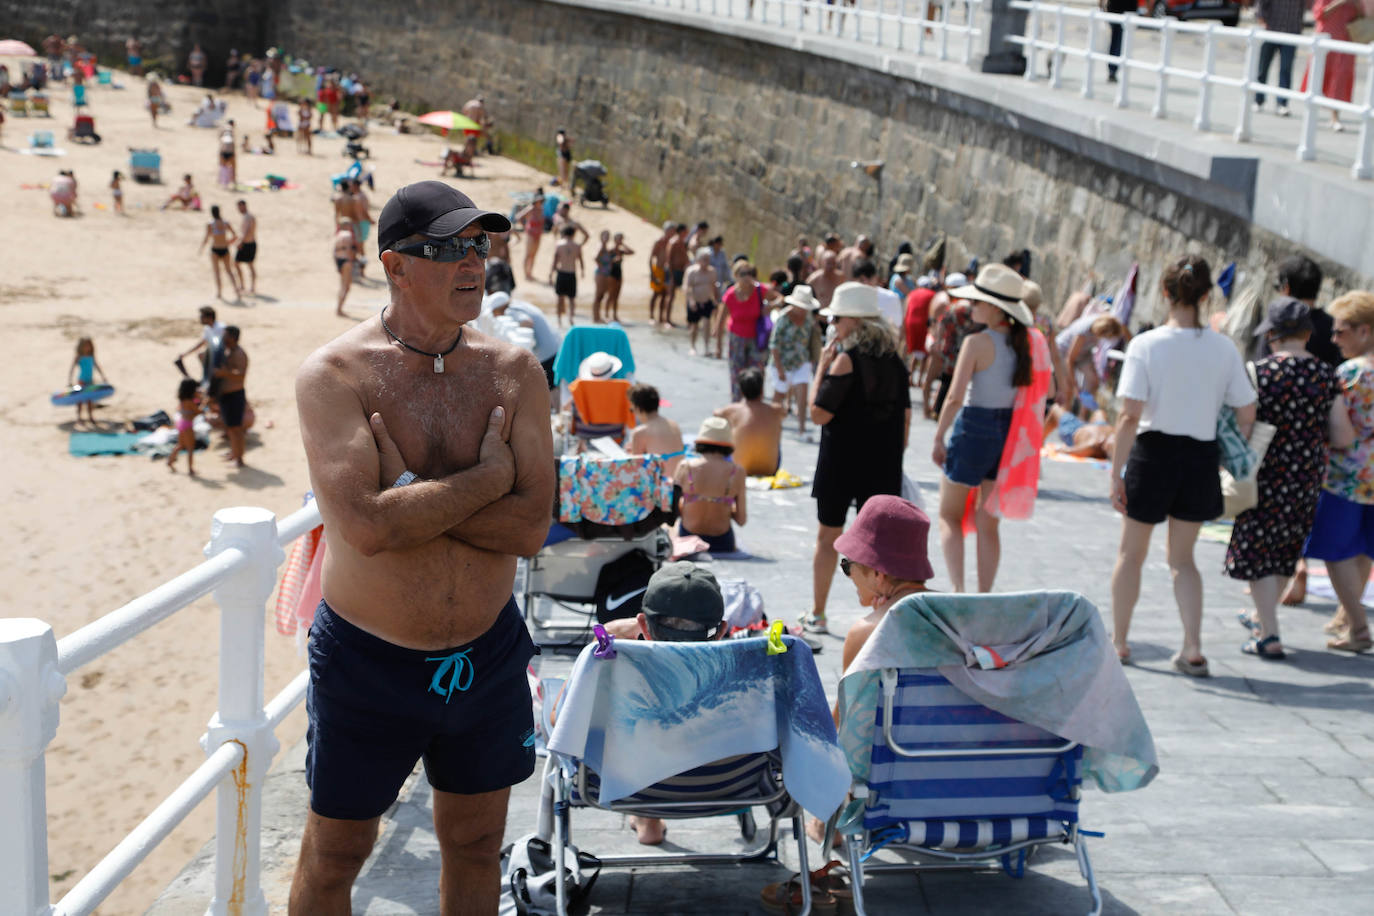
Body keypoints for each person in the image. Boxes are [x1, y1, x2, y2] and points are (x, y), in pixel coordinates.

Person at [291, 181, 553, 913]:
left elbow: (531, 527)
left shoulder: (513, 372)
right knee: (336, 854)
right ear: (394, 266)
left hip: (486, 653)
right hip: (368, 664)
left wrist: (408, 492)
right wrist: (487, 481)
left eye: (478, 244)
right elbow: (367, 530)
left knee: (474, 846)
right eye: (444, 249)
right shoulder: (336, 375)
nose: (472, 262)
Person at [1109, 255, 1256, 675]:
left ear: (1165, 292)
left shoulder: (1146, 345)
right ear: (1207, 296)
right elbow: (1246, 412)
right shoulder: (1223, 348)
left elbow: (1129, 416)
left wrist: (1116, 473)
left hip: (1152, 454)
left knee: (1130, 555)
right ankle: (1192, 646)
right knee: (1183, 560)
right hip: (1200, 456)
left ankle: (1119, 642)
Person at [1226, 299, 1353, 660]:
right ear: (1309, 334)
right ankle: (1262, 618)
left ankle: (1269, 633)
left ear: (1274, 335)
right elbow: (1342, 436)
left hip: (1265, 470)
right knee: (1285, 550)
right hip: (1307, 476)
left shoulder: (1258, 372)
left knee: (1258, 549)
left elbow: (1244, 427)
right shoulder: (1327, 376)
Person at [581, 562, 728, 844]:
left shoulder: (615, 674)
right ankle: (648, 821)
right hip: (730, 787)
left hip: (631, 789)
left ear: (643, 626)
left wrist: (603, 636)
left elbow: (558, 720)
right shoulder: (750, 671)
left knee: (642, 731)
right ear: (721, 630)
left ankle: (648, 820)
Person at [804, 283, 912, 634]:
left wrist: (822, 366)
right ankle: (881, 615)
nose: (832, 323)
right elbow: (906, 421)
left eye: (836, 317)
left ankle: (819, 614)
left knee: (828, 538)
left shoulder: (845, 359)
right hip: (882, 464)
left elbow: (818, 412)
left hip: (841, 462)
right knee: (878, 549)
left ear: (854, 321)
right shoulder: (896, 363)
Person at [931, 264, 1041, 593]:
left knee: (949, 515)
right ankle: (984, 594)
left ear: (994, 308)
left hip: (974, 426)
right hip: (1007, 431)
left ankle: (958, 590)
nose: (970, 307)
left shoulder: (977, 342)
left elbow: (953, 396)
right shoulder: (1027, 344)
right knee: (989, 522)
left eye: (976, 302)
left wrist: (938, 436)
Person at [1298, 290, 1374, 653]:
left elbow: (1335, 428)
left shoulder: (1352, 373)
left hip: (1346, 476)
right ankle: (1347, 616)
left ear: (1365, 332)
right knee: (1361, 550)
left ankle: (1358, 627)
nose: (1333, 338)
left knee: (1333, 550)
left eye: (1341, 331)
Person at [674, 417, 748, 554]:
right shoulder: (737, 472)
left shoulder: (685, 467)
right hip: (722, 542)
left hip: (688, 539)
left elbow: (672, 512)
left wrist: (693, 503)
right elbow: (741, 519)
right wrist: (719, 503)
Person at [721, 262, 783, 401]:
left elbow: (780, 298)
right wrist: (718, 342)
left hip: (757, 337)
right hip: (736, 338)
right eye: (743, 274)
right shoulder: (731, 294)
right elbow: (722, 317)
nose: (747, 277)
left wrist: (771, 306)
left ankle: (756, 403)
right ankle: (737, 403)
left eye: (750, 273)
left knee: (757, 372)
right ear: (736, 276)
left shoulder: (760, 290)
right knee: (737, 372)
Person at [925, 273, 979, 420]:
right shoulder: (972, 311)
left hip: (949, 350)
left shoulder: (951, 308)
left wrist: (939, 343)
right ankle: (951, 411)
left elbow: (941, 327)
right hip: (965, 350)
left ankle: (937, 410)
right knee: (960, 382)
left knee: (946, 381)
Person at [770, 286, 822, 439]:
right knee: (779, 396)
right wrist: (779, 369)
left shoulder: (808, 319)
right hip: (783, 362)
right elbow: (774, 345)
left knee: (802, 394)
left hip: (801, 361)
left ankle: (801, 428)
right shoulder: (783, 318)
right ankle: (771, 424)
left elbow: (810, 340)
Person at [715, 368, 786, 477]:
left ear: (742, 392)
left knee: (724, 430)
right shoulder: (776, 411)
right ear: (762, 390)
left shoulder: (733, 410)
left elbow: (716, 413)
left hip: (740, 469)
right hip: (770, 469)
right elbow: (783, 409)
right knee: (775, 430)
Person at [1302, 0, 1359, 131]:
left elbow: (1362, 15)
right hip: (1326, 40)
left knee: (1340, 78)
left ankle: (1335, 117)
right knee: (1318, 78)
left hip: (1345, 41)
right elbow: (1319, 15)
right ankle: (1311, 113)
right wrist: (1339, 2)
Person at [487, 291, 561, 389]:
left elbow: (527, 322)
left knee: (548, 389)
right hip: (554, 345)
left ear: (500, 308)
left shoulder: (510, 311)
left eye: (494, 312)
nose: (495, 316)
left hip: (545, 353)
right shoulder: (519, 304)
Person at [1056, 314, 1127, 409]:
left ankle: (1083, 414)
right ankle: (1063, 416)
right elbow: (1070, 359)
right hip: (1063, 353)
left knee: (1094, 381)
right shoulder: (1083, 332)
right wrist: (1075, 385)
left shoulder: (1105, 322)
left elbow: (1121, 327)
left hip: (1083, 354)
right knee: (1068, 389)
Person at [1253, 0, 1305, 115]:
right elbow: (1261, 4)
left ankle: (1282, 103)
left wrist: (1300, 26)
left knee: (1286, 69)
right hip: (1271, 30)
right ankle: (1259, 99)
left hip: (1291, 32)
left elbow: (1302, 7)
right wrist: (1262, 19)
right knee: (1263, 68)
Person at [626, 383, 686, 475]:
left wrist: (629, 454)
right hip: (679, 483)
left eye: (632, 409)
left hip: (662, 485)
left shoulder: (640, 432)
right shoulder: (674, 425)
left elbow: (636, 468)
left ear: (638, 408)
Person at [214, 326, 249, 467]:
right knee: (230, 427)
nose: (223, 337)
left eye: (225, 335)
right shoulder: (228, 351)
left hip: (235, 395)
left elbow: (241, 374)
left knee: (236, 429)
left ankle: (239, 459)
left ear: (233, 337)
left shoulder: (240, 353)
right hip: (226, 395)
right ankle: (234, 453)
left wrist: (225, 373)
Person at [199, 205, 242, 300]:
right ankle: (236, 290)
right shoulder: (225, 223)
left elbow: (206, 238)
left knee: (217, 272)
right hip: (225, 248)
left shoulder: (210, 224)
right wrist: (228, 242)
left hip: (215, 249)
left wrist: (202, 248)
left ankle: (219, 292)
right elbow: (235, 236)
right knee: (229, 271)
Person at [1043, 404, 1116, 459]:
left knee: (1055, 408)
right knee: (1099, 412)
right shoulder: (1115, 437)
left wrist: (1061, 450)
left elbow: (1070, 450)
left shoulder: (1093, 445)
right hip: (1096, 427)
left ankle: (1039, 441)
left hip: (1074, 430)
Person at [684, 247, 720, 355]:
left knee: (706, 324)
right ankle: (692, 346)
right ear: (698, 259)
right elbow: (687, 287)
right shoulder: (692, 271)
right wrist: (691, 301)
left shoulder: (712, 271)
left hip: (707, 301)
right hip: (695, 301)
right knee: (694, 325)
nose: (706, 261)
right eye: (704, 259)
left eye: (708, 259)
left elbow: (714, 287)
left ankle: (706, 347)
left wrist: (716, 300)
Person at [67, 336, 108, 426]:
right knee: (80, 399)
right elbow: (72, 369)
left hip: (90, 380)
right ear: (81, 346)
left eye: (88, 345)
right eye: (85, 346)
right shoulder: (79, 356)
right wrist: (69, 381)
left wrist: (103, 377)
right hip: (81, 380)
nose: (87, 347)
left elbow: (97, 366)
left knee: (90, 399)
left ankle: (90, 417)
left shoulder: (91, 356)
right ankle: (79, 417)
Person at [550, 225, 584, 326]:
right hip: (571, 273)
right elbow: (581, 260)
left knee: (560, 298)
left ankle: (559, 319)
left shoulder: (559, 245)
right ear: (573, 234)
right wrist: (582, 271)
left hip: (562, 273)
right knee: (571, 298)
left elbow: (555, 261)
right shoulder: (577, 246)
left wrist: (551, 274)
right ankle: (571, 317)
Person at [167, 377, 202, 475]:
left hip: (181, 423)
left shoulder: (182, 400)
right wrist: (204, 403)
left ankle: (170, 461)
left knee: (180, 445)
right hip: (187, 425)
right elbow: (199, 411)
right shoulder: (190, 402)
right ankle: (190, 469)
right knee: (190, 448)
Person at [514, 188, 545, 282]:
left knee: (534, 255)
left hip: (538, 234)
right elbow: (518, 216)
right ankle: (526, 274)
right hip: (530, 234)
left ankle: (530, 273)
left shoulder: (541, 209)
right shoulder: (531, 208)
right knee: (528, 254)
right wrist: (525, 227)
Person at [647, 221, 674, 327]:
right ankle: (651, 316)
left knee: (664, 295)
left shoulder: (671, 242)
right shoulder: (659, 241)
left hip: (666, 271)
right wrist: (652, 273)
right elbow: (651, 257)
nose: (671, 233)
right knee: (655, 294)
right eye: (670, 231)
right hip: (658, 270)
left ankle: (661, 317)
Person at [663, 223, 690, 329]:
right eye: (686, 231)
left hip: (680, 271)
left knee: (682, 295)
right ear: (682, 231)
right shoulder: (673, 242)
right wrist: (670, 274)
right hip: (672, 271)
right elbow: (668, 259)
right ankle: (667, 319)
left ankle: (673, 319)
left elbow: (684, 256)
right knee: (670, 296)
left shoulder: (682, 242)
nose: (687, 233)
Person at [1103, 0, 1136, 84]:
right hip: (1121, 9)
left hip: (1121, 9)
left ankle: (1113, 70)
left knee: (1116, 40)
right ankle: (1113, 70)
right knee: (1117, 41)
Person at [333, 217, 359, 315]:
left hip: (340, 260)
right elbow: (349, 249)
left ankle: (339, 308)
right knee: (345, 286)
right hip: (347, 260)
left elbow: (334, 252)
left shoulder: (338, 235)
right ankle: (339, 309)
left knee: (344, 285)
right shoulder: (348, 235)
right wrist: (353, 259)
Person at [606, 232, 633, 324]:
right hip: (611, 274)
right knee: (610, 295)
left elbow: (632, 252)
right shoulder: (610, 250)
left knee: (617, 296)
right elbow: (605, 261)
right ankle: (606, 314)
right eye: (619, 239)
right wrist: (613, 260)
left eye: (621, 239)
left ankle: (615, 315)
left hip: (619, 274)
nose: (620, 241)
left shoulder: (621, 251)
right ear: (614, 240)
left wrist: (623, 245)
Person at [591, 231, 614, 324]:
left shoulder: (606, 247)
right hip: (601, 273)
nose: (606, 238)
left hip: (605, 273)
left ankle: (598, 316)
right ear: (601, 237)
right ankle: (595, 318)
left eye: (608, 236)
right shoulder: (601, 246)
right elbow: (595, 257)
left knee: (601, 295)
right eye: (605, 236)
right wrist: (601, 267)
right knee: (598, 295)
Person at [218, 119, 237, 188]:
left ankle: (223, 182)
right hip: (230, 149)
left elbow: (220, 138)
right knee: (232, 167)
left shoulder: (223, 128)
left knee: (223, 167)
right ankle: (233, 181)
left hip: (223, 149)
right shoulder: (231, 129)